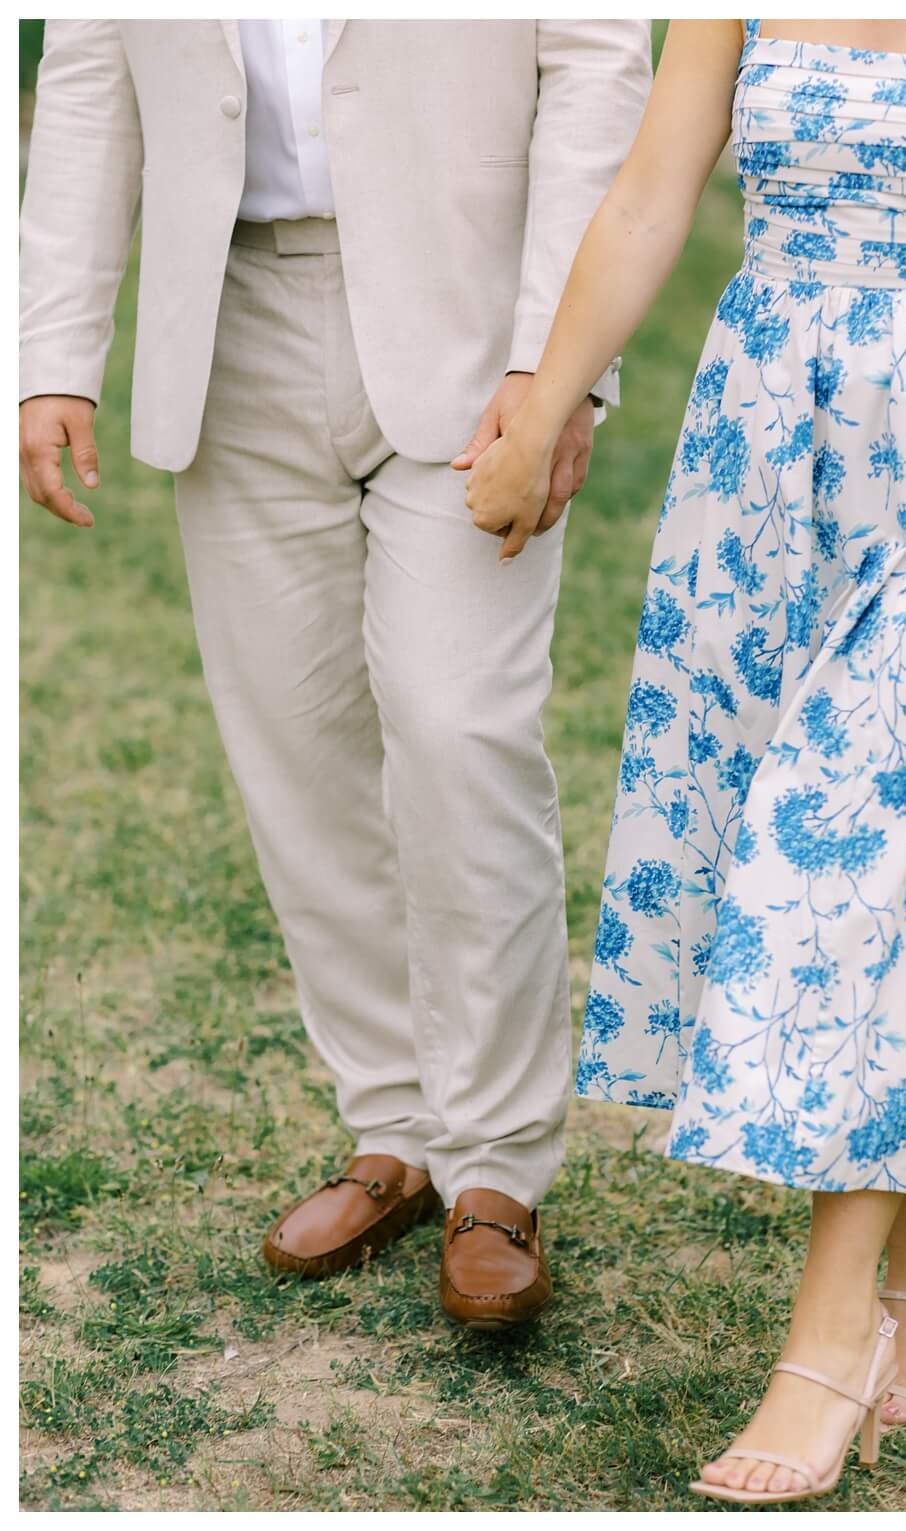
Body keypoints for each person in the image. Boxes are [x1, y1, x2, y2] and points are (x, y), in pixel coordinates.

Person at [18, 21, 649, 1328]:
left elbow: (596, 69)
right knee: (294, 753)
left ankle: (495, 1163)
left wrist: (560, 358)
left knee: (458, 728)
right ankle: (397, 1127)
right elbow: (86, 74)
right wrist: (52, 355)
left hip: (479, 324)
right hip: (230, 316)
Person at [462, 18, 906, 1506]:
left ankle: (822, 1351)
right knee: (771, 825)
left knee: (860, 843)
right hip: (771, 444)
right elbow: (654, 190)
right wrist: (547, 399)